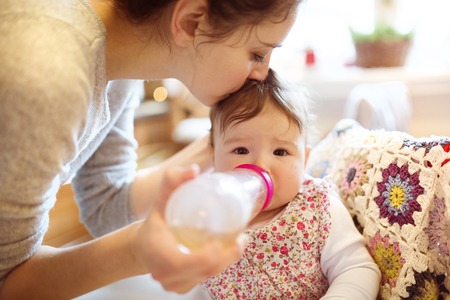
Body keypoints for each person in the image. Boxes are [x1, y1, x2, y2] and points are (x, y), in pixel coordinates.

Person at [0, 0, 301, 298]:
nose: (262, 73)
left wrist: (231, 145)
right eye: (257, 54)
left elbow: (105, 206)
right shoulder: (45, 68)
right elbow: (7, 283)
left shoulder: (121, 61)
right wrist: (134, 251)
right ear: (192, 21)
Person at [203, 69, 381, 299]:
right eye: (240, 150)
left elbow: (356, 269)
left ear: (304, 160)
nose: (261, 165)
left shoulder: (318, 208)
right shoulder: (209, 213)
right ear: (213, 156)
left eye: (280, 151)